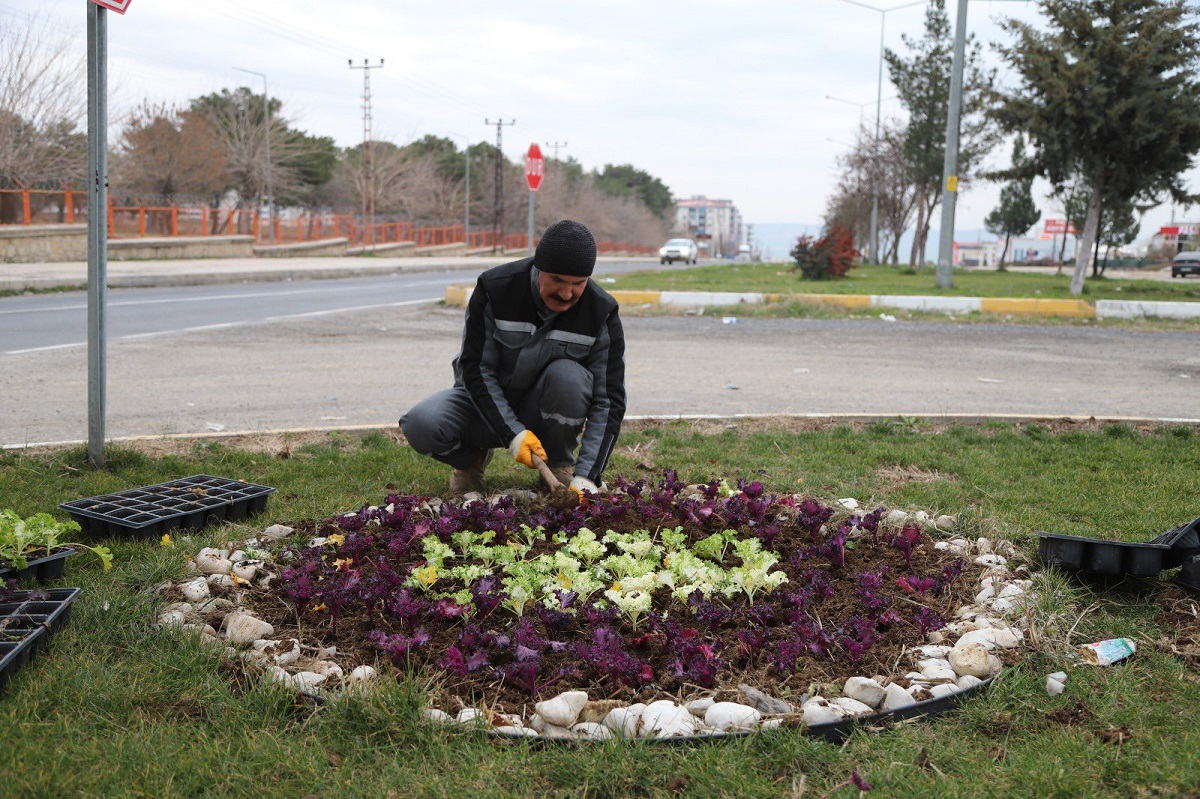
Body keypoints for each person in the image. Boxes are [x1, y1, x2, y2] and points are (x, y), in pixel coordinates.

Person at [400, 219, 626, 499]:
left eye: (578, 284)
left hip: (544, 410)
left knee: (569, 377)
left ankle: (557, 464)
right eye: (557, 280)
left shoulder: (600, 311)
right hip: (483, 407)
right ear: (538, 267)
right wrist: (513, 434)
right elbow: (475, 368)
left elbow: (609, 399)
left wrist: (588, 477)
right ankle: (471, 461)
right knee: (422, 424)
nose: (566, 293)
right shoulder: (496, 289)